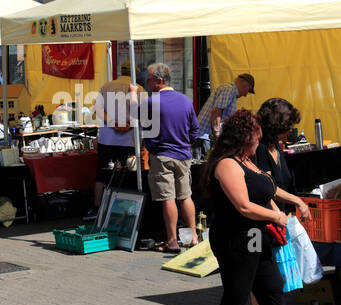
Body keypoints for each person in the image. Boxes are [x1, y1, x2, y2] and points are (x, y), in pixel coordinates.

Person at [202, 109, 325, 305]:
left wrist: (293, 201)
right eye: (256, 137)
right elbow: (243, 206)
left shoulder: (247, 160)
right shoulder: (227, 164)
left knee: (271, 287)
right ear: (245, 137)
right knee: (236, 294)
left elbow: (266, 187)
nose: (259, 142)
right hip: (234, 238)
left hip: (256, 237)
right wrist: (275, 215)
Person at [249, 98, 314, 305]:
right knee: (263, 272)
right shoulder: (259, 150)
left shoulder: (277, 145)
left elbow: (280, 185)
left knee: (270, 273)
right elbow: (267, 189)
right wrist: (280, 217)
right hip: (262, 219)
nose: (291, 132)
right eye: (288, 126)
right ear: (277, 125)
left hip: (277, 217)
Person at [144, 63, 198, 253]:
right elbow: (195, 130)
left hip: (163, 156)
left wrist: (154, 149)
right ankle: (193, 237)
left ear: (159, 81)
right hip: (183, 156)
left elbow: (146, 132)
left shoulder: (151, 102)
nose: (147, 82)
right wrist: (185, 144)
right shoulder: (185, 100)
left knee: (168, 198)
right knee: (185, 196)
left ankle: (172, 240)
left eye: (149, 79)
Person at [92, 69, 143, 217]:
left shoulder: (107, 86)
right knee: (129, 175)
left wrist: (113, 123)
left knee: (102, 174)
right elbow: (143, 113)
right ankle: (127, 211)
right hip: (130, 140)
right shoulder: (139, 89)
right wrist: (129, 124)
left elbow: (97, 109)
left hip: (107, 139)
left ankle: (97, 208)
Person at [195, 73, 254, 157]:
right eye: (248, 91)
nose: (245, 95)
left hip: (206, 138)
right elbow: (216, 112)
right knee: (204, 167)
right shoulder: (228, 90)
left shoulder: (229, 90)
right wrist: (218, 136)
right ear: (246, 85)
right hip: (205, 138)